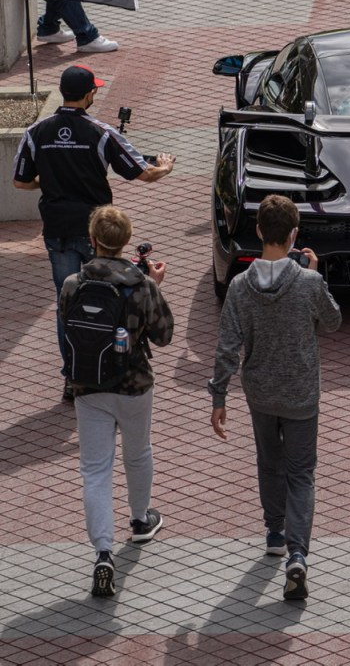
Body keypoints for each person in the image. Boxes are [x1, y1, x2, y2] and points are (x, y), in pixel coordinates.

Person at [13, 64, 176, 399]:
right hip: (94, 233)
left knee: (68, 301)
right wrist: (165, 167)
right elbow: (143, 173)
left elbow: (20, 181)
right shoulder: (100, 132)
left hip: (57, 230)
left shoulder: (36, 132)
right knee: (105, 298)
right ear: (89, 94)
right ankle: (106, 368)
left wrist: (49, 180)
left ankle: (72, 375)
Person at [209, 194, 341, 600]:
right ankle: (298, 555)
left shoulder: (239, 286)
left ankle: (274, 532)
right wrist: (316, 275)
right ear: (294, 234)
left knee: (269, 463)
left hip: (260, 393)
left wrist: (218, 396)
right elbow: (333, 320)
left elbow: (227, 346)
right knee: (301, 473)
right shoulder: (308, 283)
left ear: (259, 230)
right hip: (301, 393)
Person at [60, 204, 174, 598]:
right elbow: (164, 335)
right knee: (138, 453)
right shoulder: (140, 284)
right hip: (133, 384)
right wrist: (155, 284)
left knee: (95, 470)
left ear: (92, 240)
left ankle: (103, 553)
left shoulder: (73, 283)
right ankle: (141, 520)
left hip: (88, 385)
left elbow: (68, 325)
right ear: (126, 241)